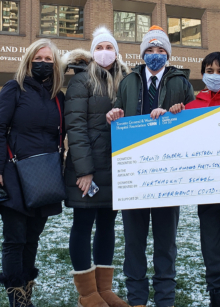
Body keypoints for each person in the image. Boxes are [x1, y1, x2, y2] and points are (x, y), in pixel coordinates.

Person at [106, 25, 194, 307]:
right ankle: (137, 299)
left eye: (160, 50)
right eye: (150, 50)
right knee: (134, 242)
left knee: (166, 243)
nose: (155, 55)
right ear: (143, 54)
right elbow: (118, 111)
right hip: (135, 173)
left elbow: (196, 120)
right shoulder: (128, 81)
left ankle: (165, 299)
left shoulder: (181, 81)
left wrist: (178, 114)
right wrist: (113, 114)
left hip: (169, 173)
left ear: (167, 54)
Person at [168, 52, 220, 307]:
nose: (215, 76)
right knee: (213, 254)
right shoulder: (192, 107)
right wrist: (174, 113)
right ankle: (217, 297)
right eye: (210, 71)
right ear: (202, 74)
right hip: (206, 196)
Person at [0, 38, 65, 307]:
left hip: (45, 177)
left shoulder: (58, 97)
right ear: (29, 61)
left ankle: (26, 294)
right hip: (15, 174)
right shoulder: (14, 89)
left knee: (32, 239)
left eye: (49, 60)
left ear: (56, 66)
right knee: (15, 238)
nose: (43, 64)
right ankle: (16, 298)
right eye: (38, 59)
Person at [63, 26, 130, 307]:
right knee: (82, 224)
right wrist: (84, 171)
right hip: (87, 170)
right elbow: (75, 128)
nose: (105, 53)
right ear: (93, 52)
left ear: (117, 52)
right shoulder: (81, 82)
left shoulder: (127, 80)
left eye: (109, 48)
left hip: (116, 169)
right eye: (100, 48)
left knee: (107, 227)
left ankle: (105, 290)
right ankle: (87, 294)